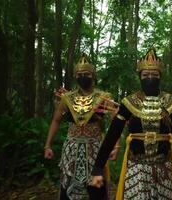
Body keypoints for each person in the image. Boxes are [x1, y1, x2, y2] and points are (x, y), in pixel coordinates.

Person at [90, 48, 172, 200]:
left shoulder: (170, 101)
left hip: (163, 167)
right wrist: (98, 168)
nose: (150, 78)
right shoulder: (129, 102)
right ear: (140, 77)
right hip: (136, 166)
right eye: (145, 75)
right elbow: (113, 134)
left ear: (160, 77)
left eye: (154, 75)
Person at [44, 55, 118, 200]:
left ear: (93, 75)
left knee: (96, 189)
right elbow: (56, 120)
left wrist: (116, 146)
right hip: (71, 149)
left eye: (87, 74)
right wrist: (47, 146)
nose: (83, 77)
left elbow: (115, 123)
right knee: (68, 187)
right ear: (75, 76)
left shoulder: (104, 97)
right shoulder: (67, 98)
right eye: (79, 75)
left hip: (94, 149)